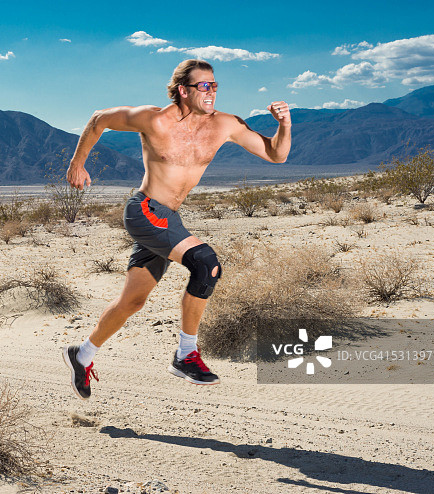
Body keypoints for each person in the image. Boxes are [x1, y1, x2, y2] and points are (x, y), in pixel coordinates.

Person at [62, 59, 292, 399]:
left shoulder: (225, 124)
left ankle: (81, 355)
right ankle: (186, 354)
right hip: (144, 210)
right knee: (206, 263)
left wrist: (284, 124)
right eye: (204, 86)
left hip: (169, 218)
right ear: (183, 90)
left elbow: (276, 155)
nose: (212, 91)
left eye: (215, 85)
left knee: (133, 301)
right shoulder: (154, 120)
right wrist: (77, 162)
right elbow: (99, 119)